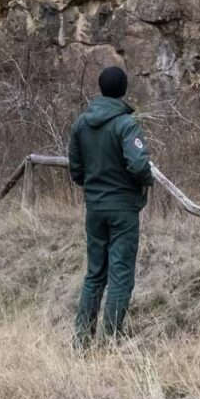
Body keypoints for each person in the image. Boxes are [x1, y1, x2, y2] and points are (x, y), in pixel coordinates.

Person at [66, 63, 153, 345]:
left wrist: (92, 187)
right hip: (123, 209)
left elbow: (76, 169)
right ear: (123, 91)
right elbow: (139, 163)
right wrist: (144, 181)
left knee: (94, 274)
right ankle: (111, 339)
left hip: (94, 208)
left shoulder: (81, 123)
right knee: (121, 275)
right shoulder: (126, 124)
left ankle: (82, 339)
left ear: (101, 89)